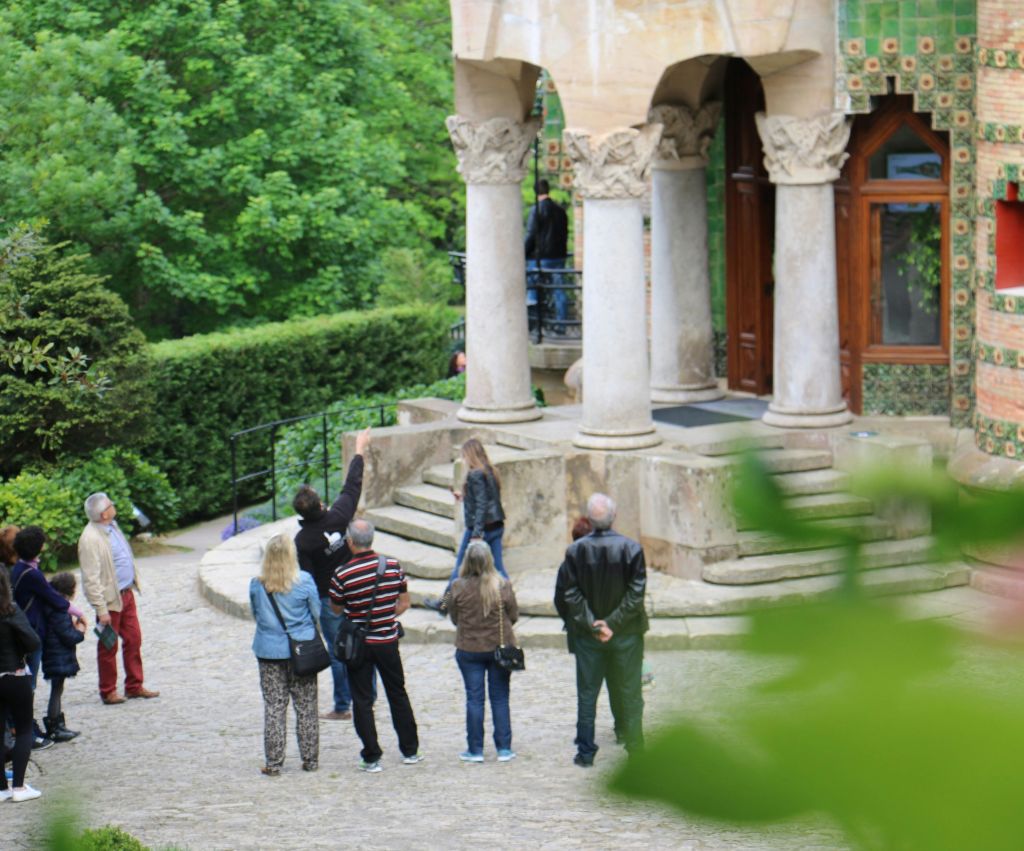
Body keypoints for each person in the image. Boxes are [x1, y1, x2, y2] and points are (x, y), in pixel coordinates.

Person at [560, 493, 647, 767]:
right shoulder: (632, 549)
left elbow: (570, 594)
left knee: (587, 694)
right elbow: (636, 593)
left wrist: (594, 624)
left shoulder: (576, 551)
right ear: (614, 516)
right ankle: (636, 749)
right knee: (630, 692)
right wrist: (612, 624)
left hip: (591, 636)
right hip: (626, 634)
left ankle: (586, 753)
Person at [330, 518, 421, 772]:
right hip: (387, 640)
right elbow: (404, 603)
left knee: (362, 698)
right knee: (397, 693)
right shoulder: (392, 566)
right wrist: (384, 616)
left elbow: (336, 608)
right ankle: (410, 749)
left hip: (358, 643)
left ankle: (371, 755)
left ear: (350, 542)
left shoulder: (342, 573)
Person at [293, 427, 371, 722]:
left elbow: (307, 579)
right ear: (320, 505)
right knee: (363, 641)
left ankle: (342, 705)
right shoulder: (339, 515)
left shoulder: (303, 541)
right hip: (356, 587)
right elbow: (353, 484)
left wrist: (309, 612)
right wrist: (360, 448)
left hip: (329, 598)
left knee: (339, 649)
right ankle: (368, 697)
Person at [249, 533, 321, 776]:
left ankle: (274, 762)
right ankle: (310, 759)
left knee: (274, 707)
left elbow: (256, 613)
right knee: (306, 705)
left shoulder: (257, 585)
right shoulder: (305, 581)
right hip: (301, 651)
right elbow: (316, 612)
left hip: (269, 652)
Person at [78, 493, 159, 705]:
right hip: (110, 601)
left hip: (126, 593)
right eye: (110, 505)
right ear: (104, 513)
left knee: (134, 639)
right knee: (108, 646)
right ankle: (108, 690)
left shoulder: (111, 526)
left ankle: (134, 685)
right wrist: (101, 609)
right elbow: (90, 578)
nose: (114, 506)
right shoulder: (90, 538)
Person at [555, 516, 626, 745]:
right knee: (617, 684)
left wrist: (575, 621)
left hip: (585, 636)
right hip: (613, 632)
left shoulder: (568, 565)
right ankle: (623, 729)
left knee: (587, 690)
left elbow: (560, 599)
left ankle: (585, 736)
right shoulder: (617, 558)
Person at [448, 541, 519, 763]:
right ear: (490, 560)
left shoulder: (457, 586)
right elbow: (513, 615)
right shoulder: (503, 585)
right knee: (500, 698)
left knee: (474, 698)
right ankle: (504, 748)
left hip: (469, 649)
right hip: (498, 648)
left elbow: (453, 617)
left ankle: (475, 749)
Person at [10, 526, 80, 748]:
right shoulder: (31, 574)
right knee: (28, 685)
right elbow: (54, 598)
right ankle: (26, 731)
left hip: (25, 633)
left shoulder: (20, 569)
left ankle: (28, 727)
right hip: (30, 635)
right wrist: (78, 613)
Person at [423, 439, 507, 613]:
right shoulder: (490, 470)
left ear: (469, 455)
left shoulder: (475, 474)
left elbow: (482, 504)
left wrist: (476, 533)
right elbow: (487, 498)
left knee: (459, 568)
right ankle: (508, 600)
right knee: (498, 567)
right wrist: (464, 496)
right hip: (496, 525)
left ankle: (444, 604)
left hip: (479, 529)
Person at [0, 567, 42, 802]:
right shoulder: (10, 610)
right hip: (14, 675)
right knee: (24, 729)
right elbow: (33, 641)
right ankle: (18, 786)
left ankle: (2, 788)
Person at [41, 572, 86, 743]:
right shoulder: (59, 609)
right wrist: (80, 631)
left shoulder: (52, 605)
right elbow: (68, 636)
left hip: (55, 655)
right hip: (57, 656)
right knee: (56, 690)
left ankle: (58, 723)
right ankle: (55, 726)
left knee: (58, 689)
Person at [524, 178, 570, 325]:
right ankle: (561, 323)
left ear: (535, 192)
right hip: (558, 257)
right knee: (558, 289)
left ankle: (536, 323)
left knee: (533, 289)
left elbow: (531, 235)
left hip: (540, 258)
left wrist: (523, 253)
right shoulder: (561, 211)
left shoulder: (536, 209)